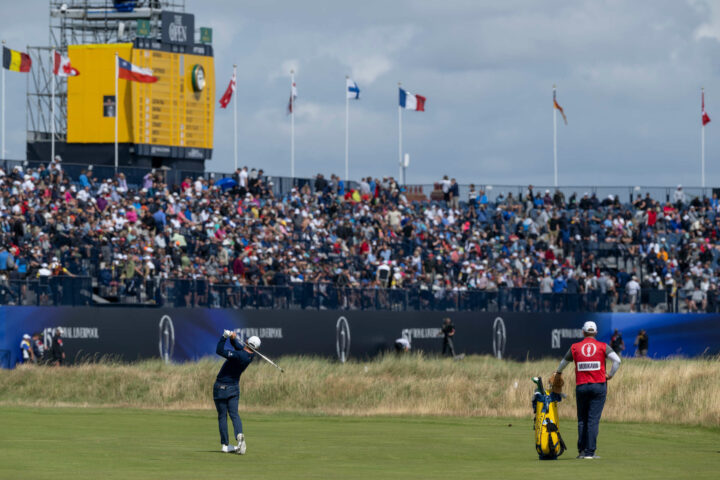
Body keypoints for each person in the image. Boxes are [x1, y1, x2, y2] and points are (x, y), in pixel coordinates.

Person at [554, 321, 621, 459]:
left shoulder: (575, 347)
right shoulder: (603, 346)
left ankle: (582, 452)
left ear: (583, 332)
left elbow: (563, 363)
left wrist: (558, 373)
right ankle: (590, 453)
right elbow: (617, 361)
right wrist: (610, 375)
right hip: (599, 386)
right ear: (595, 332)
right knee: (592, 420)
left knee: (582, 420)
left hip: (582, 386)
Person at [214, 330, 258, 454]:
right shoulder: (250, 356)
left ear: (247, 342)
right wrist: (233, 339)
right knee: (234, 414)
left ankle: (225, 445)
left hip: (220, 387)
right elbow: (240, 347)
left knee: (222, 416)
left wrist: (224, 337)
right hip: (234, 387)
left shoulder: (239, 355)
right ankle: (239, 436)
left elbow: (219, 350)